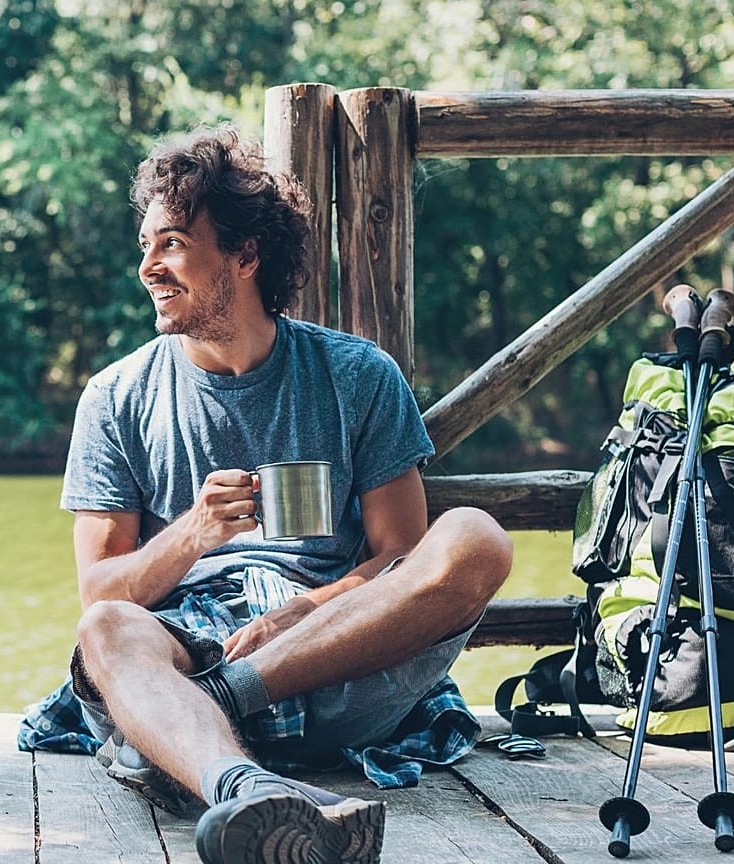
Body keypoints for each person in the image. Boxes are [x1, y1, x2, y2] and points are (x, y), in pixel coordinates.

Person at [31, 125, 514, 864]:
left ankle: (219, 713)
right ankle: (244, 787)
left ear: (246, 255)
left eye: (172, 244)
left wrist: (307, 611)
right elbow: (99, 591)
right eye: (145, 246)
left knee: (475, 537)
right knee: (106, 629)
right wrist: (194, 532)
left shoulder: (358, 376)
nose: (148, 267)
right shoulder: (115, 396)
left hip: (338, 659)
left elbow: (403, 558)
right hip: (185, 657)